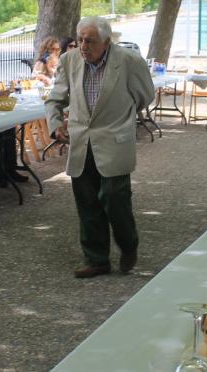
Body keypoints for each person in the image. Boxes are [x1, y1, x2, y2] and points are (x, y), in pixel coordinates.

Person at [46, 16, 155, 278]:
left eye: (90, 41)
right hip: (81, 142)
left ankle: (129, 245)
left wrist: (123, 118)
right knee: (87, 204)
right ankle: (96, 259)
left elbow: (145, 95)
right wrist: (55, 123)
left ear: (106, 42)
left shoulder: (129, 61)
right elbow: (55, 98)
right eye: (81, 39)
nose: (83, 45)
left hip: (115, 141)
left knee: (115, 199)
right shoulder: (69, 60)